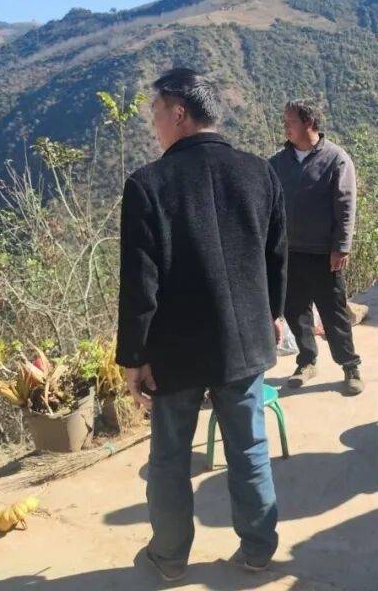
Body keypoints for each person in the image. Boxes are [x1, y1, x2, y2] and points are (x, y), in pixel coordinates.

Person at [116, 68, 287, 580]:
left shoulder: (148, 185)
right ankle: (258, 549)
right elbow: (276, 257)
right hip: (245, 341)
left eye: (155, 114)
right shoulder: (259, 172)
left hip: (177, 350)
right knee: (249, 448)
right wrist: (274, 314)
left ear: (179, 114)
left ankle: (169, 558)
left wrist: (134, 357)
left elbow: (140, 283)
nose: (153, 125)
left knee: (170, 458)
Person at [269, 100, 364, 396]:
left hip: (324, 254)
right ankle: (307, 361)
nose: (285, 126)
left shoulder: (336, 159)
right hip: (289, 253)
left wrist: (341, 246)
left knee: (333, 312)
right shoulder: (277, 163)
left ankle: (350, 366)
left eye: (290, 121)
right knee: (295, 311)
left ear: (309, 122)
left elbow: (346, 206)